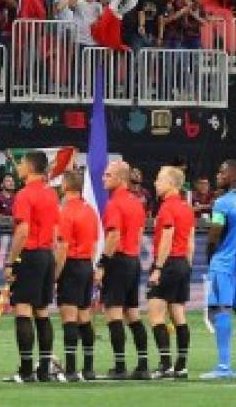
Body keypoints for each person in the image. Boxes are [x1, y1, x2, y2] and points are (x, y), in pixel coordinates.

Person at [3, 150, 59, 384]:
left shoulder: (25, 195)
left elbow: (23, 231)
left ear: (29, 166)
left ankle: (26, 370)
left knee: (23, 310)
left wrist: (11, 261)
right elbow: (56, 231)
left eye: (21, 164)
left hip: (30, 254)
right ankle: (44, 369)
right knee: (42, 311)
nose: (18, 168)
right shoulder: (51, 194)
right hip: (47, 254)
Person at [202, 159, 236, 379]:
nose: (218, 175)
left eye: (222, 172)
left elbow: (214, 234)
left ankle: (223, 367)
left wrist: (210, 257)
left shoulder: (222, 203)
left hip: (224, 262)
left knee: (220, 309)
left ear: (234, 176)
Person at [97, 160, 148, 380]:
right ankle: (143, 365)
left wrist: (102, 264)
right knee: (133, 313)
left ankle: (119, 366)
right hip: (133, 259)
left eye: (108, 175)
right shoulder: (137, 202)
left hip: (117, 261)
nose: (103, 178)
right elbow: (138, 234)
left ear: (119, 178)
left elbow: (113, 235)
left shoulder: (114, 204)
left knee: (113, 313)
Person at [147, 165, 195, 380]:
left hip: (168, 264)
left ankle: (165, 365)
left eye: (159, 179)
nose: (155, 183)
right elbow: (191, 241)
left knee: (156, 315)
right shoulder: (186, 207)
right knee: (178, 314)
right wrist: (187, 266)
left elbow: (167, 237)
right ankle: (181, 366)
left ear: (170, 183)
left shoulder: (167, 208)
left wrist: (158, 268)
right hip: (183, 263)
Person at [53, 169, 99, 383]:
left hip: (71, 265)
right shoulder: (90, 210)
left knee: (69, 318)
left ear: (65, 186)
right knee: (84, 317)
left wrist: (55, 275)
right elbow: (95, 241)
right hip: (86, 265)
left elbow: (62, 246)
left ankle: (70, 370)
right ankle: (88, 368)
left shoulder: (65, 212)